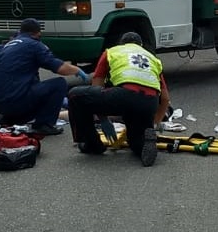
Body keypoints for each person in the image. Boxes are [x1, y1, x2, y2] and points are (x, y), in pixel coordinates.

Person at [67, 32, 170, 167]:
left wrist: (103, 119)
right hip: (149, 103)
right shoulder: (152, 59)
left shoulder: (113, 52)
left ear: (121, 43)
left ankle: (92, 144)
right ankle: (144, 142)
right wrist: (155, 123)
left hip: (124, 95)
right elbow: (166, 99)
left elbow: (96, 87)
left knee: (76, 96)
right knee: (135, 141)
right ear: (141, 45)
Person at [0, 18, 89, 136]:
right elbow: (59, 68)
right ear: (37, 33)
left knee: (32, 85)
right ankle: (43, 125)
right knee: (59, 84)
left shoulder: (8, 46)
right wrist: (77, 70)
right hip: (16, 100)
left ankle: (10, 120)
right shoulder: (34, 45)